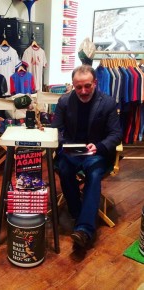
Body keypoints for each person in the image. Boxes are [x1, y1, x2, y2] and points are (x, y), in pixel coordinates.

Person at [51, 65, 122, 249]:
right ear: (73, 85)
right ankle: (77, 211)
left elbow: (115, 134)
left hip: (96, 152)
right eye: (78, 87)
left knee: (94, 173)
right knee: (64, 169)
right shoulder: (64, 101)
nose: (83, 91)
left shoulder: (107, 103)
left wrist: (98, 146)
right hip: (71, 151)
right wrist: (64, 144)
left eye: (87, 86)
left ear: (95, 83)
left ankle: (84, 230)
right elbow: (55, 130)